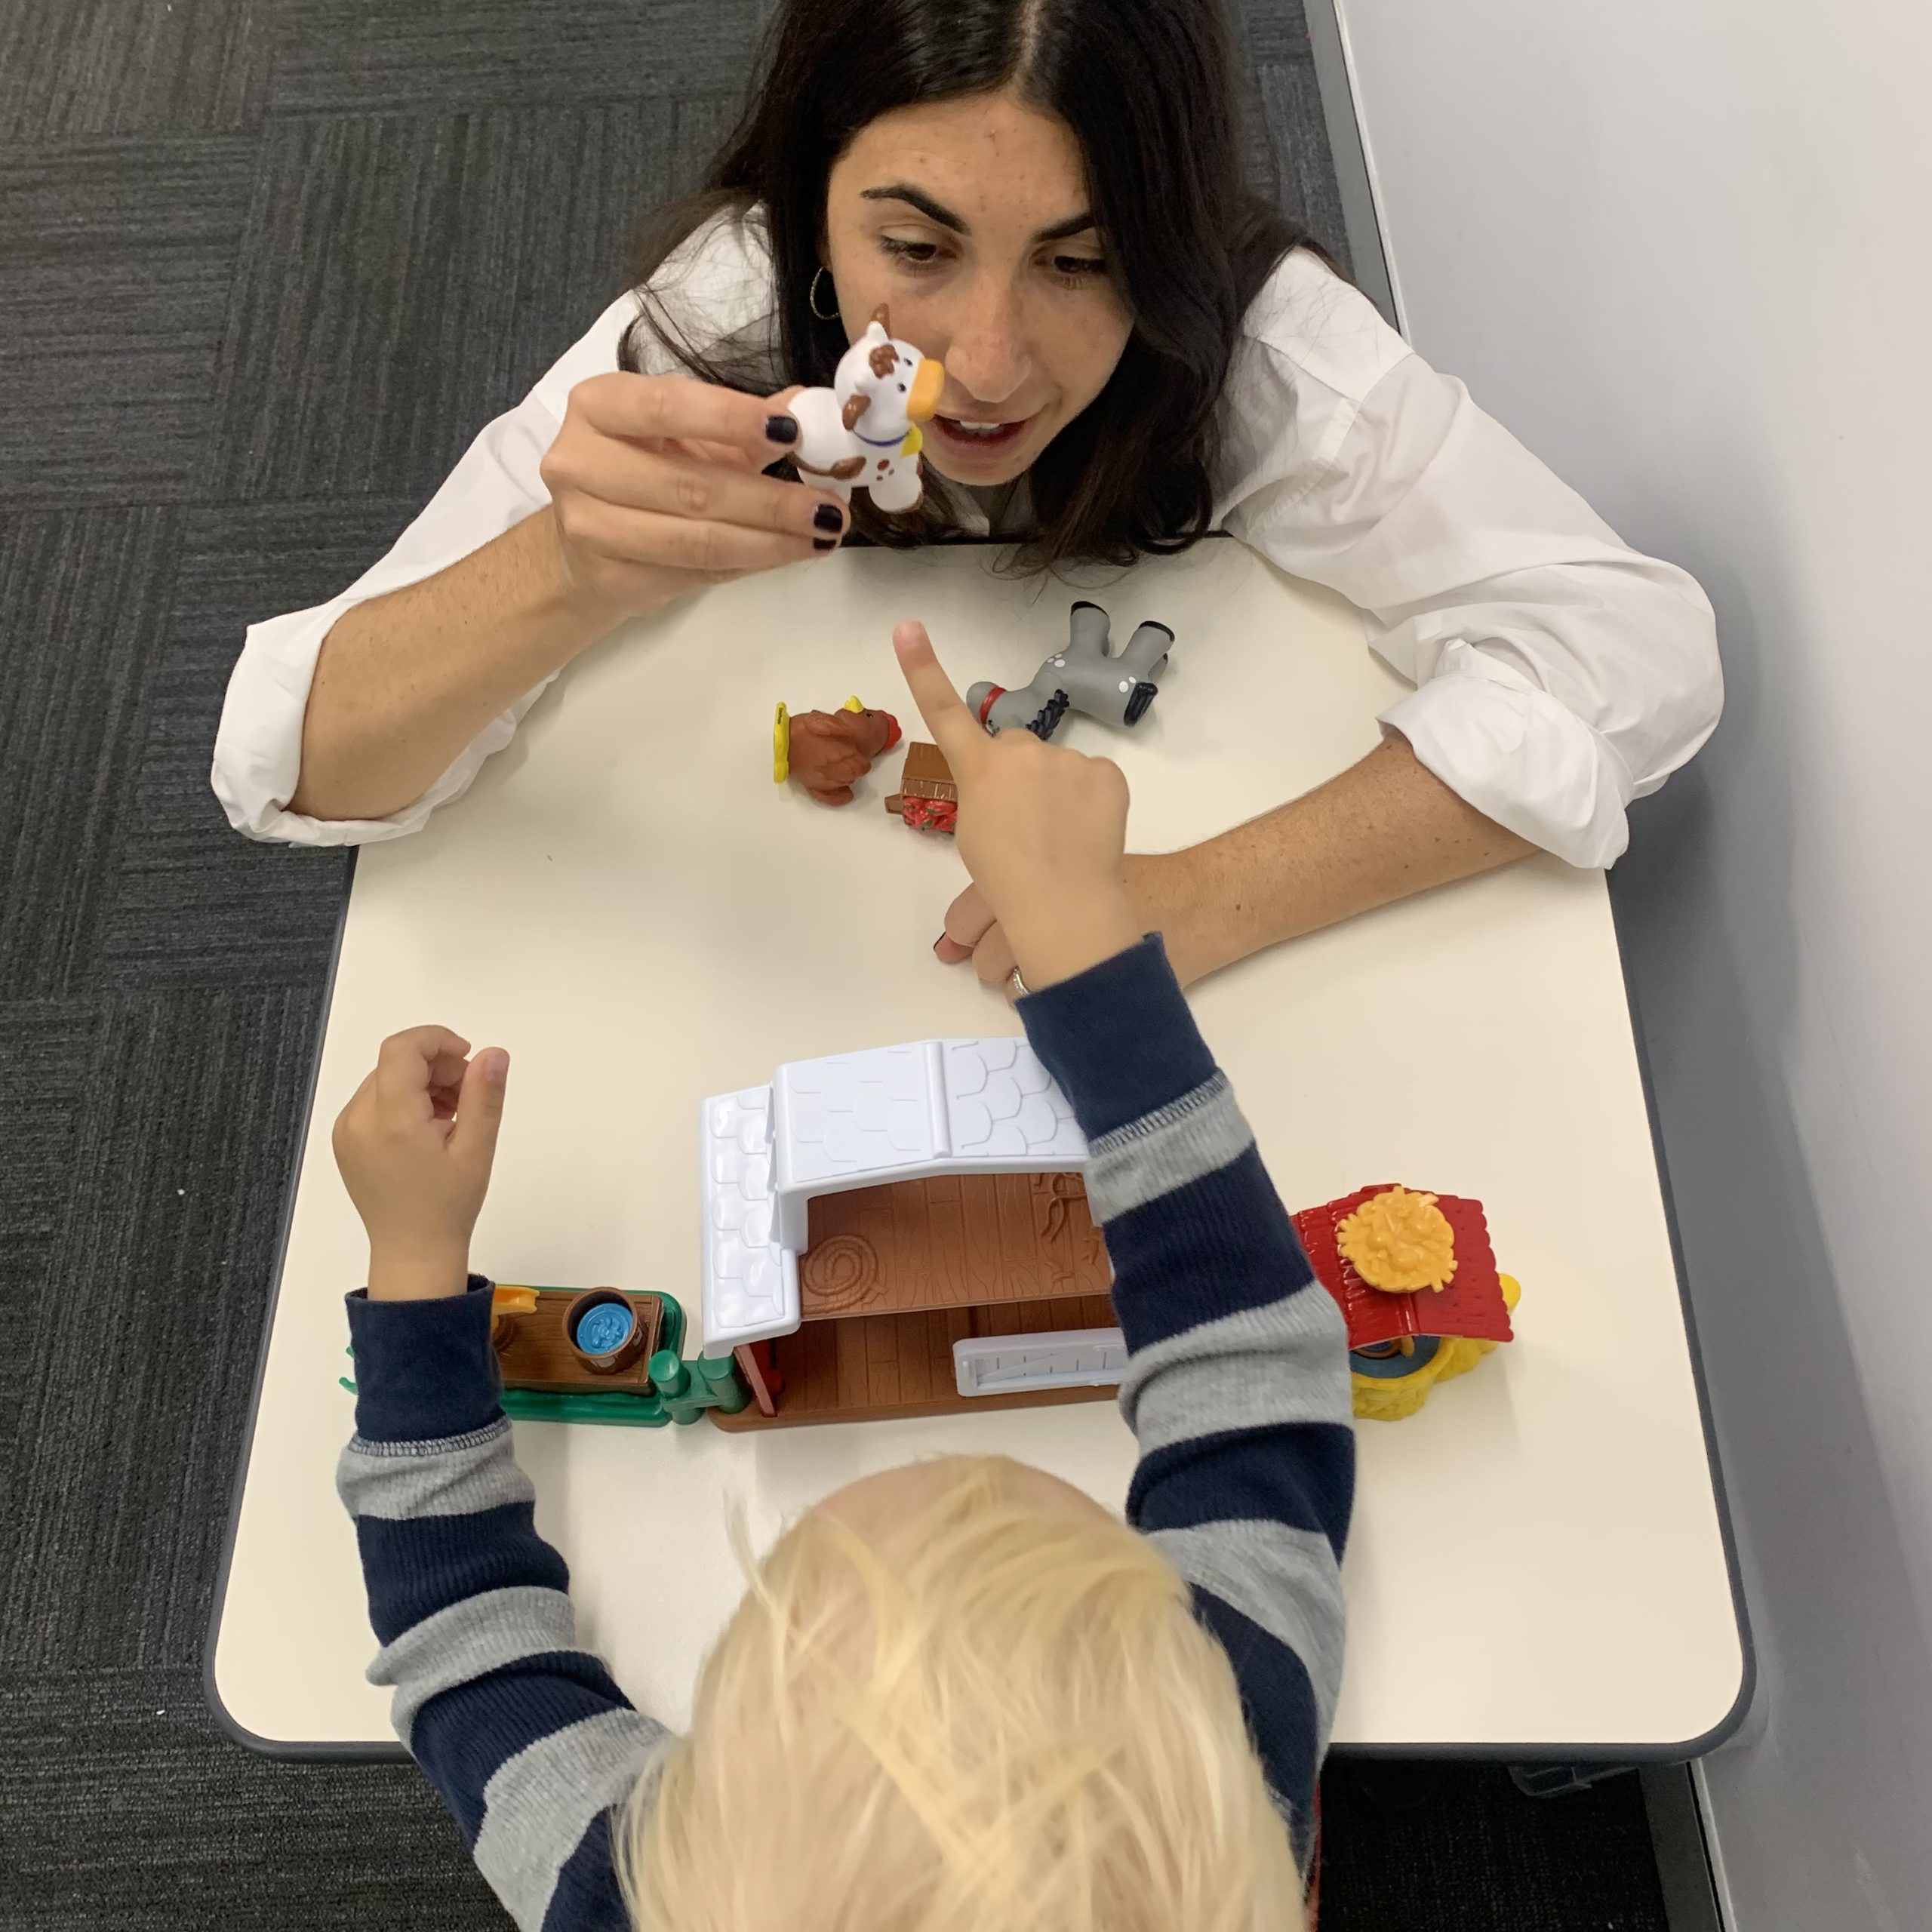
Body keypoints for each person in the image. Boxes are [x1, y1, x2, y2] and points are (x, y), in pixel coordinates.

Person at [214, 0, 1721, 992]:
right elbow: (292, 762)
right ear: (806, 202)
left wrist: (1203, 893)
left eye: (1081, 259)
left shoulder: (1259, 351)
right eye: (915, 249)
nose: (990, 365)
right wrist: (567, 570)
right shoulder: (728, 314)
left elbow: (1630, 652)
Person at [331, 622, 1353, 1932]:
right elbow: (1255, 1366)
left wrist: (415, 1275)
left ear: (679, 1819)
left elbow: (463, 1645)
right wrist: (1086, 939)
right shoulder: (1235, 1737)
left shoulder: (631, 1900)